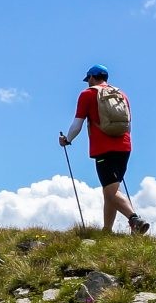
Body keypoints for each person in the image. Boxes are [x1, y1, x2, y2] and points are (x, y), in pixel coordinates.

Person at [59, 64, 150, 234]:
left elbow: (77, 124)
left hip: (103, 149)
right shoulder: (121, 95)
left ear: (92, 78)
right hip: (124, 147)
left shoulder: (88, 94)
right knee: (111, 190)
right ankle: (107, 231)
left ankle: (135, 220)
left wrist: (67, 140)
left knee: (110, 190)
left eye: (88, 79)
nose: (88, 82)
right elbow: (128, 126)